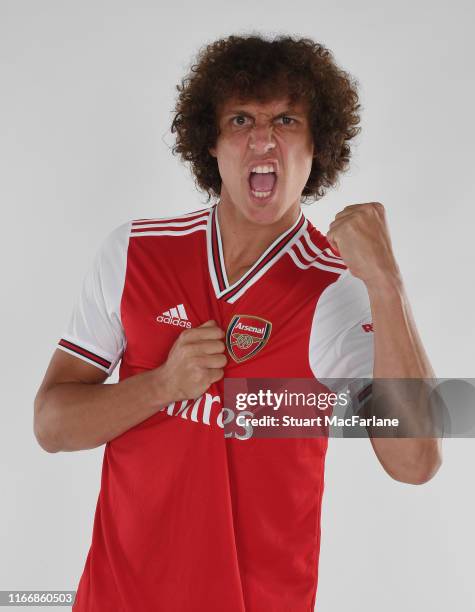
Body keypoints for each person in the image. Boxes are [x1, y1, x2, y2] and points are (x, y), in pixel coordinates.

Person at [34, 34, 442, 611]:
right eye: (241, 118)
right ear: (212, 143)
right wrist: (162, 385)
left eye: (287, 119)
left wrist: (387, 285)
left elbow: (416, 462)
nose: (262, 138)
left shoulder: (336, 289)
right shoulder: (136, 252)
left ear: (318, 146)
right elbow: (50, 424)